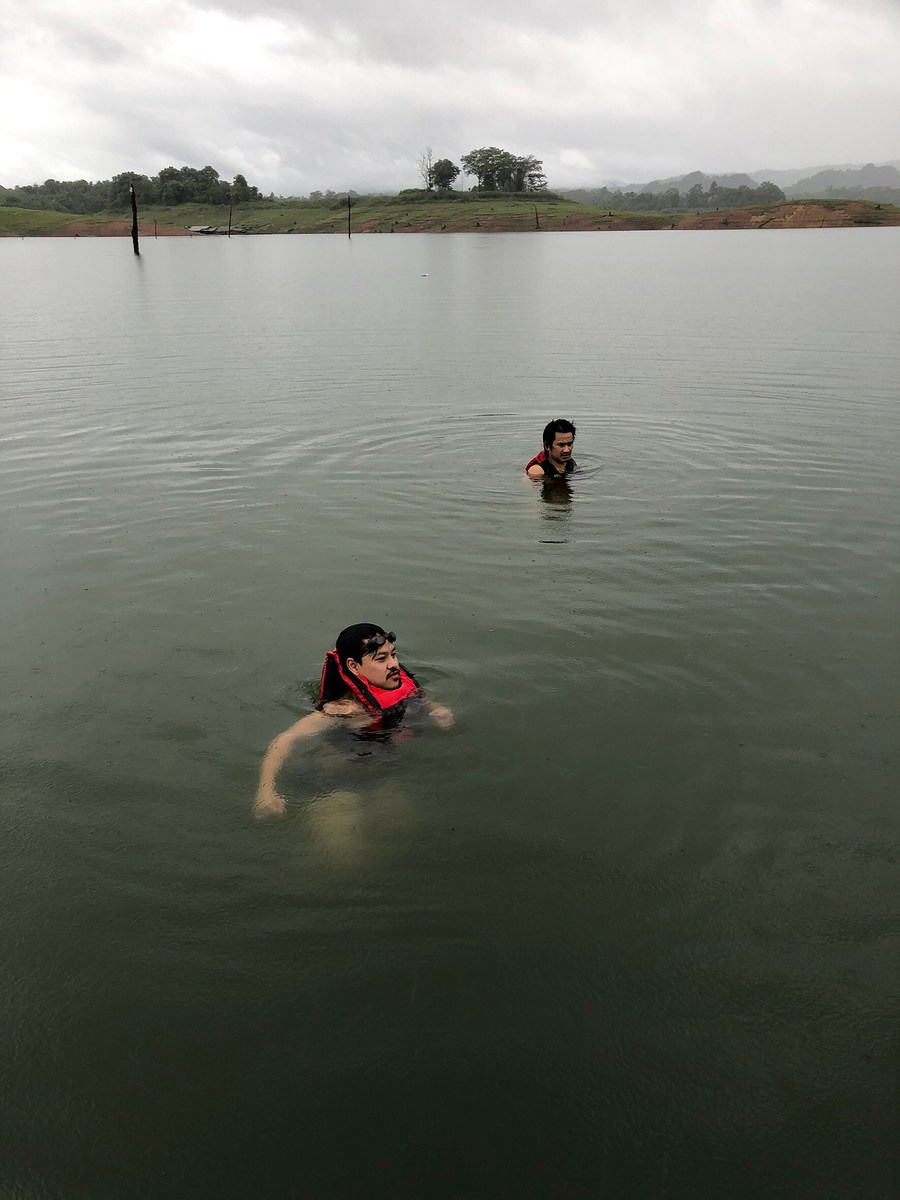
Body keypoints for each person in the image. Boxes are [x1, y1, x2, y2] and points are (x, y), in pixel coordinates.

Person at [254, 623, 453, 817]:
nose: (393, 664)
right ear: (353, 666)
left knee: (401, 824)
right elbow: (286, 738)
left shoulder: (397, 689)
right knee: (345, 847)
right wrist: (265, 793)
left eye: (393, 654)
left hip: (379, 776)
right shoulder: (344, 709)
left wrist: (437, 709)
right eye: (381, 658)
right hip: (331, 785)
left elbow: (413, 700)